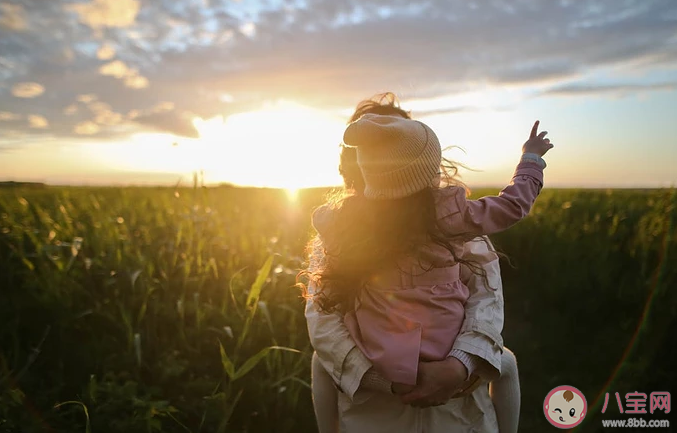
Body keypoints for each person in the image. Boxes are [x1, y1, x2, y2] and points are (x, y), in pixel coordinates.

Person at [303, 93, 550, 432]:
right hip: (373, 410)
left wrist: (457, 366)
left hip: (453, 406)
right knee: (505, 363)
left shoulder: (347, 226)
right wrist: (531, 161)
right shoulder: (451, 219)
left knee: (505, 362)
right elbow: (323, 320)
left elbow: (486, 300)